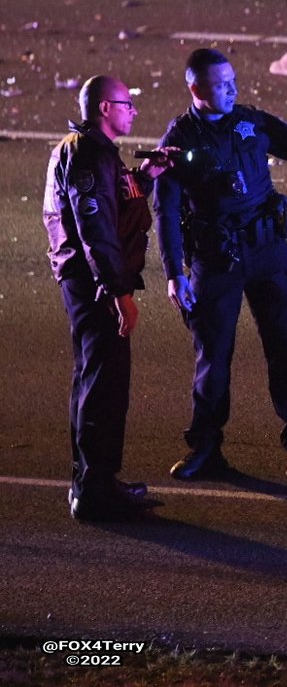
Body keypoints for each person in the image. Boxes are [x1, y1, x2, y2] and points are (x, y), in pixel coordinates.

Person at [154, 48, 287, 481]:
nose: (232, 89)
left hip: (267, 252)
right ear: (196, 88)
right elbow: (165, 210)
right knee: (213, 360)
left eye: (233, 80)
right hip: (215, 261)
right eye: (221, 83)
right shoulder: (178, 141)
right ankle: (206, 449)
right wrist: (174, 274)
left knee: (286, 352)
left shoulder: (251, 122)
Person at [44, 76, 175, 521]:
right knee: (104, 383)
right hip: (95, 283)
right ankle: (95, 490)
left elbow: (112, 202)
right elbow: (94, 225)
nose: (133, 110)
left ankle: (92, 480)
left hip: (92, 281)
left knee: (94, 377)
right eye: (127, 102)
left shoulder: (95, 153)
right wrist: (118, 292)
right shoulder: (87, 153)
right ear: (104, 108)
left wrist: (145, 177)